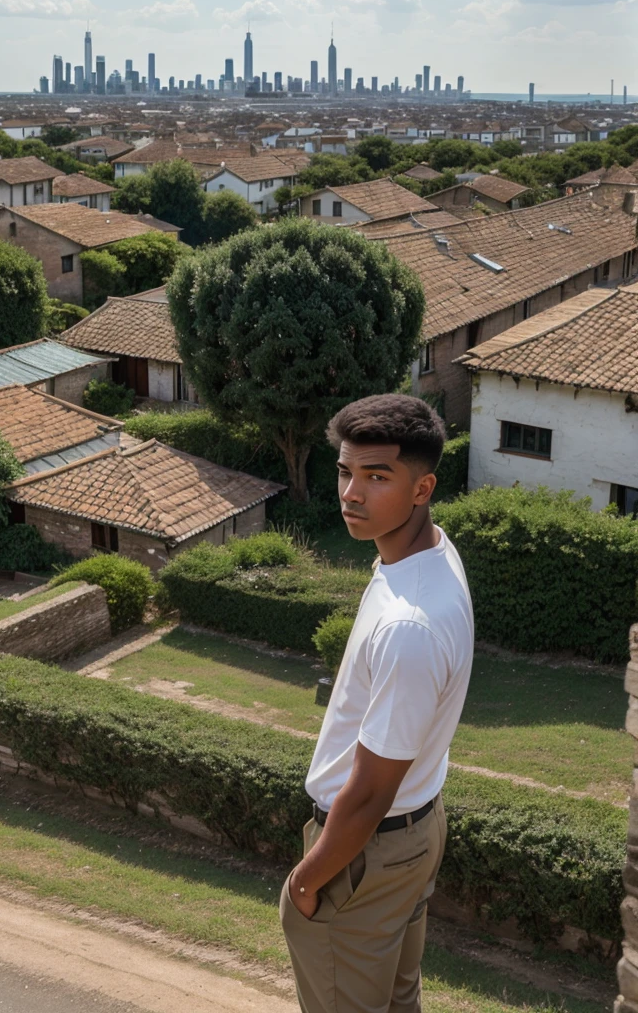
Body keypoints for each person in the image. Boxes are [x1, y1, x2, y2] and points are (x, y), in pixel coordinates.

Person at [279, 394, 474, 1013]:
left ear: (423, 488)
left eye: (377, 476)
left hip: (367, 851)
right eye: (345, 471)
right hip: (414, 834)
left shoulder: (409, 627)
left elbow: (367, 793)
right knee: (397, 999)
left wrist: (306, 881)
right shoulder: (432, 554)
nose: (351, 493)